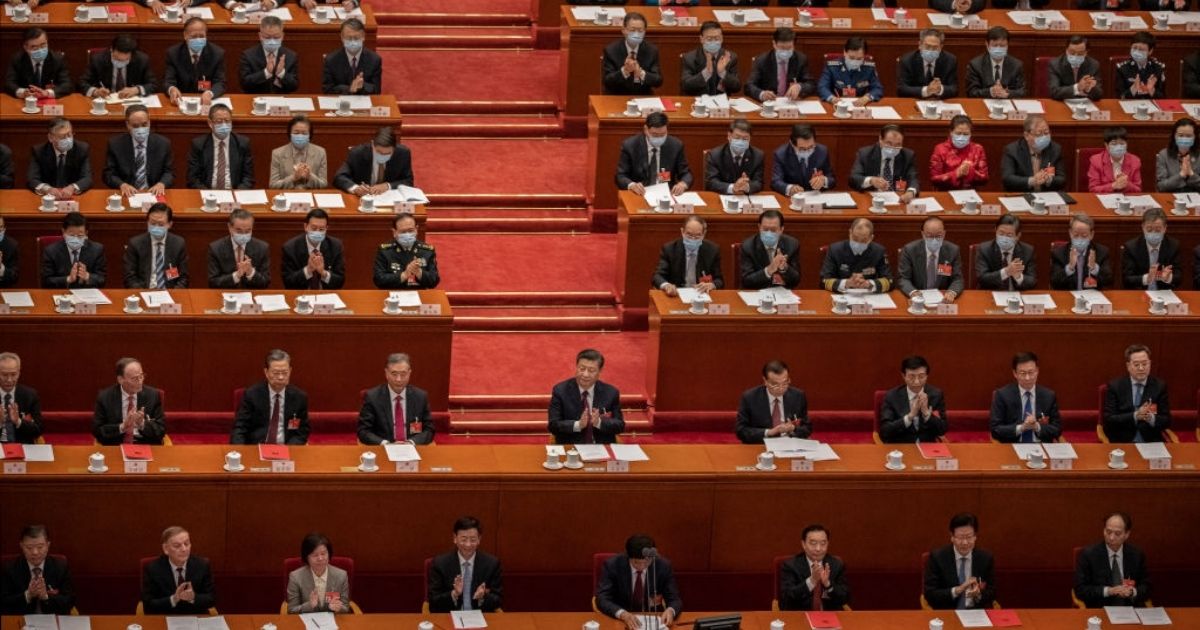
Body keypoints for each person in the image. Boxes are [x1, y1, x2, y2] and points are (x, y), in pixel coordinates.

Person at [596, 534, 682, 629]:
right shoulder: (613, 565)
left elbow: (674, 599)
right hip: (621, 621)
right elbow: (602, 598)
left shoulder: (663, 566)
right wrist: (622, 614)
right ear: (628, 557)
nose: (642, 566)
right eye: (636, 562)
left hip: (654, 621)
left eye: (646, 562)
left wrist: (671, 610)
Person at [231, 349, 310, 445]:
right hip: (257, 447)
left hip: (287, 448)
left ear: (290, 371)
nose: (281, 377)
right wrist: (240, 451)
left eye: (284, 372)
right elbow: (240, 428)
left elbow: (302, 431)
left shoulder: (299, 398)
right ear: (266, 372)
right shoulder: (252, 395)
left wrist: (290, 448)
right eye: (276, 373)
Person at [547, 349, 625, 444]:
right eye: (582, 368)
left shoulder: (611, 393)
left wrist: (599, 422)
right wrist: (577, 425)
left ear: (599, 371)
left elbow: (620, 426)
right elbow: (553, 425)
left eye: (591, 370)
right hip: (571, 447)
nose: (585, 374)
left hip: (601, 447)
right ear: (576, 367)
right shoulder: (560, 391)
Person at [1073, 513, 1151, 608]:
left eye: (1117, 533)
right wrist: (1109, 591)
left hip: (1131, 610)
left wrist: (1132, 592)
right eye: (1108, 532)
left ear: (1127, 534)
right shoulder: (1088, 555)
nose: (1111, 537)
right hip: (1100, 610)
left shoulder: (1136, 555)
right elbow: (1080, 590)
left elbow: (1147, 587)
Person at [428, 517, 504, 613]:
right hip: (449, 618)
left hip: (481, 618)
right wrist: (454, 594)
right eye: (463, 539)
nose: (468, 545)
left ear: (479, 540)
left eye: (473, 540)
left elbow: (498, 600)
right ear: (455, 538)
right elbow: (433, 601)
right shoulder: (440, 563)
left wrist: (483, 596)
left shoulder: (492, 564)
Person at [356, 353, 435, 445]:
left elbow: (429, 429)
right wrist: (385, 444)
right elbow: (363, 431)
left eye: (403, 374)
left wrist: (411, 442)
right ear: (386, 373)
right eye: (394, 374)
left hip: (412, 448)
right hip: (384, 449)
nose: (398, 379)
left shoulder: (420, 397)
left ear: (409, 373)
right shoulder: (372, 397)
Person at [923, 513, 996, 610]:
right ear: (952, 537)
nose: (965, 542)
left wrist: (978, 594)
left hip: (975, 614)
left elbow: (993, 591)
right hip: (947, 613)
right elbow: (930, 594)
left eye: (969, 537)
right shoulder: (938, 557)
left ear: (975, 537)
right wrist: (957, 590)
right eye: (961, 537)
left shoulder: (985, 558)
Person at [1102, 344, 1172, 443]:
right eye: (1136, 364)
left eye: (1144, 364)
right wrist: (1135, 416)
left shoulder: (1159, 386)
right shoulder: (1116, 386)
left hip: (1150, 441)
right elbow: (1109, 420)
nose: (1141, 368)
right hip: (1123, 441)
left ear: (1150, 364)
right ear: (1128, 366)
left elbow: (1167, 421)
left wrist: (1151, 418)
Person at [989, 351, 1063, 443]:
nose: (1027, 378)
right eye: (1023, 373)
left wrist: (1037, 427)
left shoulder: (1049, 396)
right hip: (1012, 447)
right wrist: (1022, 428)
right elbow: (995, 429)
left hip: (1041, 447)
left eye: (1031, 372)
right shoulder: (1002, 395)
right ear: (1015, 374)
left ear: (1037, 371)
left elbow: (1057, 429)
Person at [0, 525, 74, 615]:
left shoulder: (60, 566)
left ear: (48, 546)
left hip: (51, 621)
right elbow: (4, 602)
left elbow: (69, 601)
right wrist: (28, 595)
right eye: (29, 548)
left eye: (40, 547)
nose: (35, 552)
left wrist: (46, 597)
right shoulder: (9, 568)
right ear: (22, 546)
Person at [103, 104, 175, 196]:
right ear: (128, 125)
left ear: (149, 122)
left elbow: (170, 172)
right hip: (128, 194)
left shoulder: (163, 143)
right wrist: (121, 184)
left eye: (144, 124)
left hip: (154, 193)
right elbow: (108, 174)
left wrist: (162, 184)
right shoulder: (116, 144)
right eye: (136, 126)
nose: (141, 129)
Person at [142, 526, 216, 615]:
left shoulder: (202, 565)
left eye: (186, 543)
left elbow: (212, 599)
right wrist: (174, 599)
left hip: (195, 617)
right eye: (177, 546)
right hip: (165, 618)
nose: (184, 549)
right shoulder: (153, 568)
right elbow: (148, 605)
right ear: (166, 549)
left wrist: (193, 597)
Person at [615, 112, 692, 196]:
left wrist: (683, 184)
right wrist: (632, 185)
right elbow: (620, 176)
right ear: (645, 129)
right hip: (639, 194)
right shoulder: (630, 145)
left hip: (666, 194)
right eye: (655, 135)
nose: (659, 138)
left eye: (663, 135)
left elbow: (686, 173)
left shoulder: (675, 145)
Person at [92, 357, 166, 446]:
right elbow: (97, 431)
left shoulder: (153, 395)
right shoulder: (105, 397)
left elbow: (161, 430)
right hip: (116, 446)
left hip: (145, 445)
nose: (140, 381)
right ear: (120, 379)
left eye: (141, 376)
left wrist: (142, 424)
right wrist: (122, 427)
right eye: (135, 378)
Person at [735, 360, 812, 444]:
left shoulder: (798, 396)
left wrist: (793, 428)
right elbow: (741, 430)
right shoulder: (749, 398)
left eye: (785, 383)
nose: (781, 388)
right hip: (762, 444)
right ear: (765, 381)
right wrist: (769, 432)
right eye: (775, 384)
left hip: (791, 444)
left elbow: (807, 428)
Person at [779, 525, 849, 611]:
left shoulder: (836, 565)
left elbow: (845, 599)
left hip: (829, 618)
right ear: (803, 544)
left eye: (823, 543)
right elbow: (785, 600)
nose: (818, 548)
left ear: (828, 544)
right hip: (800, 617)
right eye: (813, 543)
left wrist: (828, 584)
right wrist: (811, 581)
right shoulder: (791, 565)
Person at [879, 356, 947, 444]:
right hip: (901, 447)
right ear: (903, 376)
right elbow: (885, 432)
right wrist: (910, 416)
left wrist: (927, 413)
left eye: (921, 376)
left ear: (927, 376)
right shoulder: (892, 396)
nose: (917, 381)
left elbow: (943, 429)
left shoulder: (936, 395)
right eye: (911, 377)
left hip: (928, 447)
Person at [187, 103, 254, 189]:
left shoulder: (242, 143)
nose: (224, 125)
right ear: (210, 123)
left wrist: (237, 194)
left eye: (227, 121)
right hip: (207, 193)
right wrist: (209, 195)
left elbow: (248, 178)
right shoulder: (199, 144)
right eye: (219, 121)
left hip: (234, 193)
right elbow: (193, 179)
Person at [652, 215, 723, 297]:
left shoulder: (712, 250)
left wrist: (712, 285)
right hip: (676, 295)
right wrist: (666, 285)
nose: (693, 239)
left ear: (704, 234)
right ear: (682, 232)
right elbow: (657, 276)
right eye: (689, 235)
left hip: (701, 295)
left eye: (697, 236)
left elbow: (719, 280)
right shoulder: (670, 249)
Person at [898, 217, 964, 302]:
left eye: (938, 236)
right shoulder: (910, 250)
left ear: (944, 234)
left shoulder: (952, 251)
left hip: (943, 299)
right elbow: (903, 278)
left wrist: (951, 293)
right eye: (929, 236)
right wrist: (913, 292)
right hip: (917, 299)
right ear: (923, 234)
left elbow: (957, 279)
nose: (934, 240)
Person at [124, 203, 188, 289]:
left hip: (170, 293)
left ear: (170, 224)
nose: (156, 227)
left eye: (161, 224)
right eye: (153, 224)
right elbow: (130, 278)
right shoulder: (135, 243)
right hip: (144, 291)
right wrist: (142, 294)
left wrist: (174, 294)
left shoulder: (178, 244)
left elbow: (183, 278)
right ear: (147, 222)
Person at [820, 218, 893, 294]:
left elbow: (889, 281)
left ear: (871, 238)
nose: (858, 243)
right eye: (855, 239)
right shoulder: (835, 250)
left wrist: (869, 284)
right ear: (850, 232)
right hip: (841, 295)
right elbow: (824, 281)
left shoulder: (879, 251)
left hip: (868, 296)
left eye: (863, 241)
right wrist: (847, 283)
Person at [334, 127, 413, 196]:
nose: (383, 156)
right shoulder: (358, 153)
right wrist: (356, 188)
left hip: (389, 199)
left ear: (394, 148)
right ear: (372, 145)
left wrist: (388, 186)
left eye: (388, 153)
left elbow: (408, 181)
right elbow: (339, 177)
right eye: (379, 152)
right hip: (362, 199)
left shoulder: (403, 154)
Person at [164, 17, 226, 104]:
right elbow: (168, 81)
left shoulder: (216, 53)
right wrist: (171, 89)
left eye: (201, 36)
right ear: (185, 35)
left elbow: (220, 83)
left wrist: (210, 93)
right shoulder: (173, 53)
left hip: (205, 101)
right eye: (193, 36)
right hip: (182, 100)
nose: (198, 39)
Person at [850, 125, 919, 202]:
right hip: (871, 200)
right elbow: (854, 179)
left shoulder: (907, 156)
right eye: (889, 143)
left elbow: (913, 179)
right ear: (880, 139)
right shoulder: (865, 154)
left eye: (898, 144)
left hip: (898, 200)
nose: (893, 148)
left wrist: (911, 192)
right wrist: (871, 180)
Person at [745, 28, 815, 102]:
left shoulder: (801, 59)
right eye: (782, 48)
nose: (785, 51)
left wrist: (799, 87)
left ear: (794, 45)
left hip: (791, 102)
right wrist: (762, 94)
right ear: (774, 44)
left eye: (789, 48)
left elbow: (811, 84)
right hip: (770, 103)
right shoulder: (762, 60)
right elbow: (749, 86)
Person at [27, 118, 92, 198]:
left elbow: (87, 178)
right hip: (48, 198)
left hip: (73, 197)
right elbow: (32, 179)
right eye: (62, 137)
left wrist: (72, 187)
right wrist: (48, 189)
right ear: (51, 138)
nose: (68, 139)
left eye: (69, 134)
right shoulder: (39, 151)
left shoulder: (82, 149)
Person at [282, 209, 345, 290]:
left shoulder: (335, 246)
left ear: (326, 228)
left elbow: (340, 281)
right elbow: (288, 282)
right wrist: (308, 270)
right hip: (301, 295)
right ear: (305, 227)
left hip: (326, 296)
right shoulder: (290, 248)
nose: (317, 232)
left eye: (321, 229)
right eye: (314, 228)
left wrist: (323, 273)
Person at [286, 533, 349, 614]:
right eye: (315, 555)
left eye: (323, 553)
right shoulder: (296, 577)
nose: (320, 558)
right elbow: (291, 610)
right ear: (306, 557)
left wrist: (339, 608)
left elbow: (346, 608)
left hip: (332, 623)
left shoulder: (341, 575)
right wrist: (309, 605)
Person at [372, 213, 439, 289]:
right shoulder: (385, 251)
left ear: (416, 229)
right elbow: (378, 280)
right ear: (394, 232)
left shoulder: (427, 251)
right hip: (392, 295)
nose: (407, 234)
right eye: (403, 232)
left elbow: (434, 281)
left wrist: (419, 272)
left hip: (418, 295)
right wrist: (404, 275)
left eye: (410, 231)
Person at [601, 13, 662, 95]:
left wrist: (640, 73)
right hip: (617, 96)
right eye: (632, 30)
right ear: (623, 30)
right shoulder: (611, 50)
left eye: (640, 31)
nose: (636, 35)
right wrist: (625, 70)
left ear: (645, 32)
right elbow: (607, 81)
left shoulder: (651, 50)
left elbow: (658, 81)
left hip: (643, 97)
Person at [79, 34, 157, 99]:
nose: (120, 62)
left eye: (125, 60)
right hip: (106, 100)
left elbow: (153, 84)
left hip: (130, 102)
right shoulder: (98, 60)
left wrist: (136, 90)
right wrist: (96, 91)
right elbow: (82, 83)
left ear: (132, 55)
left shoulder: (142, 60)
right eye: (117, 59)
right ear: (111, 50)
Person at [208, 209, 271, 288]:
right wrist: (236, 276)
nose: (243, 235)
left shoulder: (262, 248)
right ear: (230, 227)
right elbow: (213, 283)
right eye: (239, 231)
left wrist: (251, 272)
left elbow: (265, 283)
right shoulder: (216, 248)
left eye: (248, 231)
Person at [1001, 115, 1066, 192]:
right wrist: (1032, 181)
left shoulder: (1055, 149)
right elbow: (1007, 179)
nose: (1044, 137)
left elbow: (1062, 179)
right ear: (1026, 135)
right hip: (1021, 196)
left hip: (1046, 197)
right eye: (1039, 134)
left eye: (1046, 133)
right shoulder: (1012, 150)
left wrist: (1048, 179)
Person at [41, 212, 106, 288]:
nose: (75, 239)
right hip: (62, 294)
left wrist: (87, 276)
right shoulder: (51, 251)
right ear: (63, 232)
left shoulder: (97, 250)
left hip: (87, 295)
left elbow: (102, 280)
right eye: (71, 235)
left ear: (86, 234)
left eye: (80, 235)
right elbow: (46, 282)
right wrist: (68, 279)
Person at [1050, 214, 1113, 290]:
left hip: (1092, 298)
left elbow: (1108, 281)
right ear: (1070, 233)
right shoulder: (1059, 253)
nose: (1079, 239)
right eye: (1076, 235)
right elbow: (1054, 283)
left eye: (1084, 236)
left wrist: (1094, 269)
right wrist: (1069, 268)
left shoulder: (1101, 252)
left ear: (1091, 235)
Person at [739, 210, 799, 290]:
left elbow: (796, 281)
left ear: (781, 230)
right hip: (758, 293)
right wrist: (769, 270)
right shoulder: (748, 246)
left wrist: (785, 268)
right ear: (759, 227)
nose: (769, 233)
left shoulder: (792, 245)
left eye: (773, 230)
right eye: (765, 229)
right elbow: (746, 282)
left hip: (783, 294)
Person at [4, 28, 72, 98]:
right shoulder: (17, 59)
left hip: (48, 102)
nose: (40, 50)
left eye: (43, 45)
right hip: (25, 101)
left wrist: (47, 93)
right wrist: (23, 92)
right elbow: (9, 83)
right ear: (26, 47)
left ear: (47, 42)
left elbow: (67, 84)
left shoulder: (57, 59)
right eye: (34, 47)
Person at [1123, 208, 1180, 290]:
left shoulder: (1173, 246)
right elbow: (1126, 279)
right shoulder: (1131, 247)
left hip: (1164, 294)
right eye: (1149, 229)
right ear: (1143, 227)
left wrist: (1168, 278)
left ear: (1165, 228)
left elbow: (1179, 277)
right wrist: (1147, 278)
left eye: (1158, 230)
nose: (1153, 233)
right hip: (1140, 294)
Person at [238, 17, 298, 94]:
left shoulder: (291, 56)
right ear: (260, 36)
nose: (272, 41)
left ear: (282, 36)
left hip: (281, 100)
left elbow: (294, 86)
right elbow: (244, 84)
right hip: (256, 98)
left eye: (276, 37)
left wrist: (282, 73)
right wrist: (266, 73)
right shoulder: (248, 55)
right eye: (267, 37)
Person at [704, 118, 764, 194]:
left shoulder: (757, 155)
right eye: (737, 137)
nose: (741, 142)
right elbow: (711, 182)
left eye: (745, 139)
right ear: (729, 136)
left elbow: (759, 183)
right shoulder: (715, 155)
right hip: (723, 197)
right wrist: (732, 188)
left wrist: (746, 186)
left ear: (750, 139)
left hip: (745, 199)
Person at [975, 215, 1035, 291]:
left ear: (1018, 236)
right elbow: (982, 279)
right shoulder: (984, 249)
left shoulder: (1027, 251)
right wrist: (1006, 272)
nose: (1004, 238)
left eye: (1009, 235)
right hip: (991, 294)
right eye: (1001, 234)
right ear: (996, 231)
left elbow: (1032, 281)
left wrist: (1018, 277)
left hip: (1017, 296)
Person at [680, 21, 740, 96]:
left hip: (722, 103)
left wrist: (723, 73)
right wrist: (706, 73)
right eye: (709, 39)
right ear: (701, 39)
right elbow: (685, 86)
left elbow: (737, 87)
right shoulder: (690, 58)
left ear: (722, 39)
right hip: (699, 102)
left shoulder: (730, 57)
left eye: (717, 38)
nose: (713, 42)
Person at [323, 19, 382, 95]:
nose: (353, 42)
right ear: (342, 37)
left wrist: (362, 85)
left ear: (363, 36)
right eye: (349, 38)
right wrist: (349, 89)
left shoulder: (374, 60)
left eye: (356, 38)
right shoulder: (331, 60)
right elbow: (327, 89)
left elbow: (377, 90)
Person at [771, 124, 834, 195]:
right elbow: (776, 181)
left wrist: (824, 181)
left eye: (811, 147)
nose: (807, 151)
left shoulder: (822, 151)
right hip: (792, 198)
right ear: (792, 144)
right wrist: (790, 188)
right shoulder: (781, 154)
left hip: (816, 197)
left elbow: (831, 178)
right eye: (802, 149)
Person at [817, 38, 883, 105]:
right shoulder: (832, 66)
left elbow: (877, 88)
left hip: (859, 106)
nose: (855, 61)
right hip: (836, 105)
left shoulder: (869, 68)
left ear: (864, 56)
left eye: (859, 59)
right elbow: (822, 87)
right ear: (845, 52)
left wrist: (867, 98)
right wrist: (831, 98)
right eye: (851, 58)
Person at [929, 115, 988, 191]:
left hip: (971, 194)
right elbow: (934, 179)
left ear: (971, 134)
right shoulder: (940, 149)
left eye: (965, 134)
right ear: (951, 132)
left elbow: (984, 179)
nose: (962, 137)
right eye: (958, 133)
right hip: (946, 193)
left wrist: (971, 171)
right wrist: (956, 174)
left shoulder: (978, 149)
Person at [897, 29, 958, 100]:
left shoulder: (950, 60)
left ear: (941, 47)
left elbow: (954, 89)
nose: (931, 50)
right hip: (916, 101)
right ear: (920, 45)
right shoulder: (907, 60)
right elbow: (901, 89)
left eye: (935, 47)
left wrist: (939, 89)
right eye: (927, 46)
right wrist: (927, 90)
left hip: (939, 103)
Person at [270, 116, 328, 189]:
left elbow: (324, 184)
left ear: (310, 135)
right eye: (296, 133)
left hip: (311, 194)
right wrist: (293, 178)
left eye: (304, 133)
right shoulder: (277, 153)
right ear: (290, 134)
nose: (300, 136)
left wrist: (310, 176)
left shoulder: (320, 152)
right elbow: (273, 185)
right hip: (287, 195)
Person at [965, 27, 1024, 99]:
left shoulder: (1016, 65)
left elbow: (1022, 91)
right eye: (995, 45)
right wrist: (990, 92)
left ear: (1008, 45)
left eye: (1002, 46)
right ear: (987, 45)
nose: (998, 49)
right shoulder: (975, 65)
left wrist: (1007, 94)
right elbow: (971, 92)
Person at [0, 353, 42, 445]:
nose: (9, 379)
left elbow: (38, 430)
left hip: (23, 447)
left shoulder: (30, 395)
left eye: (13, 374)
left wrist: (18, 421)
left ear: (19, 373)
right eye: (4, 375)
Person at [1087, 127, 1141, 194]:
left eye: (1122, 143)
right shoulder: (1096, 160)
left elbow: (1138, 190)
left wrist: (1127, 184)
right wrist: (1113, 186)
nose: (1118, 147)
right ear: (1106, 145)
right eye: (1114, 144)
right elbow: (1093, 189)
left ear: (1126, 144)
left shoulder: (1135, 161)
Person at [1047, 36, 1103, 101]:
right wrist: (1077, 87)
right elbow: (1054, 92)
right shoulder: (1055, 64)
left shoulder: (1093, 65)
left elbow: (1099, 94)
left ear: (1086, 52)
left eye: (1080, 53)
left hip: (1085, 104)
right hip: (1063, 103)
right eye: (1072, 53)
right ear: (1066, 50)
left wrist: (1089, 88)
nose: (1075, 56)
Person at [1115, 32, 1165, 99]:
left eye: (1141, 49)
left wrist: (1151, 90)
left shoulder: (1158, 68)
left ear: (1150, 51)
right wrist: (1133, 88)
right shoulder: (1122, 68)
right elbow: (1120, 97)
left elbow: (1163, 98)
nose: (1137, 52)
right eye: (1134, 48)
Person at [1155, 117, 1199, 193]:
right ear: (1174, 136)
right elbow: (1161, 186)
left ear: (1195, 137)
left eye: (1188, 136)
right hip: (1171, 197)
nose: (1184, 138)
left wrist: (1191, 173)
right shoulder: (1164, 155)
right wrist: (1181, 175)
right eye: (1181, 135)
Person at [0, 214, 15, 287]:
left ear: (4, 229)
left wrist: (1, 268)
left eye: (0, 227)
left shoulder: (12, 245)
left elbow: (14, 277)